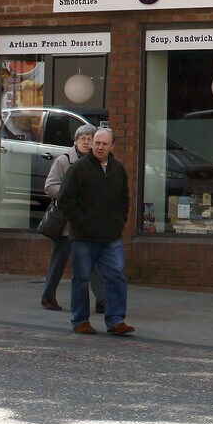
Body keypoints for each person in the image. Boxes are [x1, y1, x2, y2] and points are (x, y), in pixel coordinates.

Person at [56, 125, 134, 336]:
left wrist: (120, 221)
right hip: (84, 236)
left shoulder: (118, 170)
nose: (99, 147)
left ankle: (116, 320)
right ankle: (81, 320)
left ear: (112, 146)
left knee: (116, 276)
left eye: (104, 144)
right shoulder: (79, 168)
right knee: (81, 278)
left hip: (111, 236)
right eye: (96, 143)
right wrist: (81, 221)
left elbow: (123, 200)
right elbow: (64, 200)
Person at [38, 124, 105, 314]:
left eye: (89, 139)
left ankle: (102, 299)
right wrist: (71, 196)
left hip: (88, 222)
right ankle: (48, 296)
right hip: (67, 222)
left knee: (93, 259)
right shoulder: (64, 161)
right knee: (59, 260)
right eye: (82, 138)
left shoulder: (97, 163)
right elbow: (50, 187)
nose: (86, 141)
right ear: (75, 142)